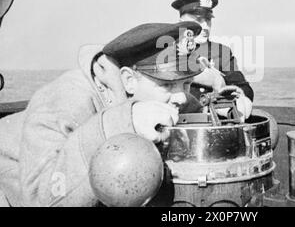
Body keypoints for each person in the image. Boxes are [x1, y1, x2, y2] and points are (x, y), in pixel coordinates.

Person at [0, 21, 204, 207]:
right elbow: (41, 198)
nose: (181, 98)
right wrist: (123, 121)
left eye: (186, 83)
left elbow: (192, 106)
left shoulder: (170, 98)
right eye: (167, 84)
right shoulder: (68, 100)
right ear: (129, 80)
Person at [172, 0, 254, 119]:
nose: (205, 27)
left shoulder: (222, 52)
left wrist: (235, 95)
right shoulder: (167, 49)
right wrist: (201, 76)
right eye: (198, 20)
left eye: (208, 20)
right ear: (181, 22)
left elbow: (245, 89)